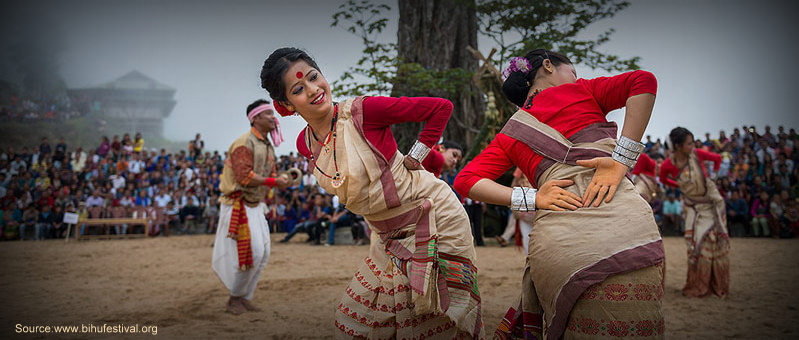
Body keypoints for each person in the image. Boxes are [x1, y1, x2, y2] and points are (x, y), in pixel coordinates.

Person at [259, 47, 557, 338]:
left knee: (431, 318)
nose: (312, 89)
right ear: (285, 105)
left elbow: (440, 107)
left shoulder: (364, 111)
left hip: (433, 216)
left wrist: (417, 154)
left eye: (313, 77)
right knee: (363, 319)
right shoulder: (304, 144)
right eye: (298, 88)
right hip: (386, 234)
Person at [454, 49, 664, 338]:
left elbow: (466, 180)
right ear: (549, 66)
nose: (576, 78)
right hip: (625, 228)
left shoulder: (510, 133)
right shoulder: (583, 91)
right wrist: (620, 162)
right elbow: (644, 81)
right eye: (573, 71)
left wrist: (533, 198)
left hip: (559, 244)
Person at [211, 99, 290, 315]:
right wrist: (275, 182)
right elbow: (244, 177)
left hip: (254, 205)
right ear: (255, 118)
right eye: (268, 114)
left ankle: (243, 297)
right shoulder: (244, 143)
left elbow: (268, 173)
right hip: (238, 204)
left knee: (263, 253)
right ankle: (234, 298)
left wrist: (279, 178)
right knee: (252, 253)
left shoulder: (266, 144)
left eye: (273, 114)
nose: (274, 117)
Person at [659, 127, 729, 298]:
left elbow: (718, 159)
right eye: (689, 143)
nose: (693, 146)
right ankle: (696, 284)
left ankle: (715, 286)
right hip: (691, 207)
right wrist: (680, 187)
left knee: (711, 242)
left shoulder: (697, 154)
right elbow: (662, 179)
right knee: (693, 245)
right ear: (678, 146)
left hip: (710, 205)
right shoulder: (669, 164)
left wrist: (713, 177)